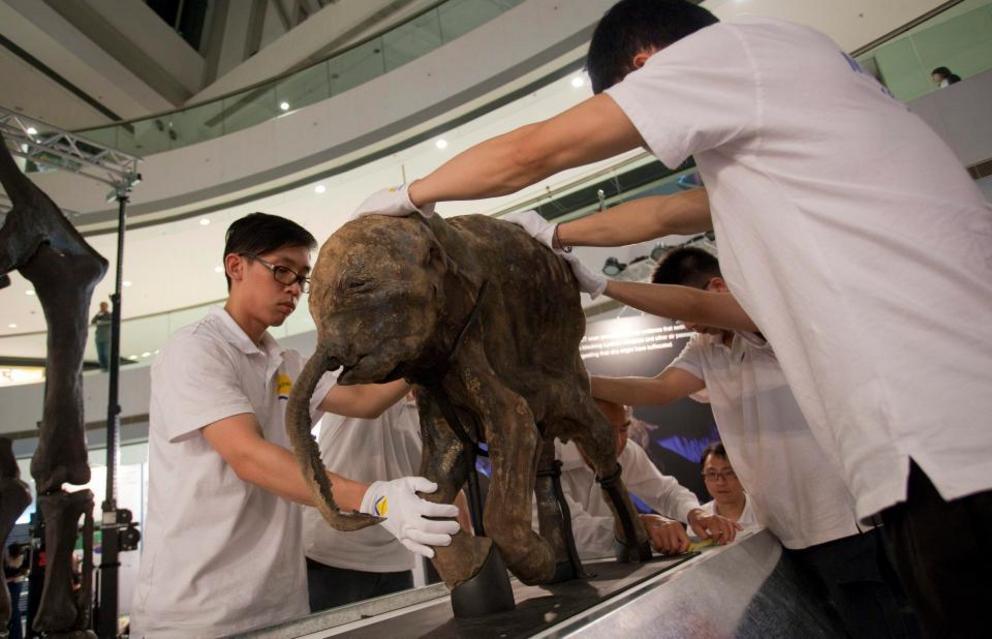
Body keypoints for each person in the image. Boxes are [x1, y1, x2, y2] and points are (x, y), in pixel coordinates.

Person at [352, 1, 992, 633]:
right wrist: (558, 234)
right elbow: (664, 216)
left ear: (647, 65)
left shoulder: (733, 53)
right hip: (943, 430)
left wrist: (410, 196)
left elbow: (535, 152)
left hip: (944, 435)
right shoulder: (795, 121)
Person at [130, 213, 460, 637]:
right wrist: (375, 498)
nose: (293, 288)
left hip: (279, 603)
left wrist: (430, 350)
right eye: (281, 270)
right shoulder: (195, 350)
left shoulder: (285, 361)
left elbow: (363, 400)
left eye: (301, 277)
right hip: (197, 610)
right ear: (236, 267)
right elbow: (248, 456)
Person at [592, 246, 919, 638]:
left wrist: (601, 283)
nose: (687, 327)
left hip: (842, 525)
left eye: (687, 313)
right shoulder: (706, 347)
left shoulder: (769, 320)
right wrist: (576, 381)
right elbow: (660, 389)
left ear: (715, 288)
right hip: (781, 530)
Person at [304, 393, 472, 611]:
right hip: (332, 559)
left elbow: (444, 485)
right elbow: (366, 401)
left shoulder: (432, 415)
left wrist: (468, 559)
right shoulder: (355, 384)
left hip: (395, 563)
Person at [555, 399, 739, 559]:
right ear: (576, 427)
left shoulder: (627, 453)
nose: (617, 443)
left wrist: (696, 513)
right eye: (606, 430)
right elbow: (568, 531)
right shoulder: (548, 457)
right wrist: (640, 525)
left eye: (623, 429)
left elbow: (666, 492)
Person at [693, 442, 759, 533]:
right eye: (712, 474)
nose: (720, 482)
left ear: (743, 474)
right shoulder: (699, 520)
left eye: (729, 473)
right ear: (704, 478)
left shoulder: (763, 512)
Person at [5, 543, 28, 639]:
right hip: (10, 583)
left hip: (15, 583)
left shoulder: (21, 559)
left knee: (13, 609)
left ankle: (15, 635)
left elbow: (23, 572)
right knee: (12, 609)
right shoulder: (6, 558)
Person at [90, 301, 111, 371]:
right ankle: (102, 368)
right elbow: (92, 322)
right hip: (99, 337)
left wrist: (102, 321)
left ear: (106, 307)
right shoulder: (99, 316)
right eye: (101, 306)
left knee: (105, 354)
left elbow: (111, 322)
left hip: (106, 337)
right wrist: (97, 315)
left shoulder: (109, 315)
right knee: (100, 355)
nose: (102, 308)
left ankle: (108, 368)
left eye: (103, 306)